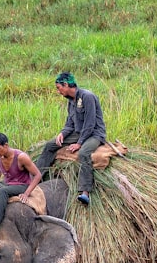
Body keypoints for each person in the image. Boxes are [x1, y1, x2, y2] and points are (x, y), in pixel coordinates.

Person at [37, 71, 107, 206]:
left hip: (94, 134)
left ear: (66, 84)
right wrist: (62, 133)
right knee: (50, 145)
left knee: (83, 153)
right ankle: (37, 177)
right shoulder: (71, 101)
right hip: (78, 132)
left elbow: (90, 123)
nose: (58, 91)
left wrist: (79, 143)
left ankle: (85, 191)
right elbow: (70, 122)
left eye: (59, 88)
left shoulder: (87, 97)